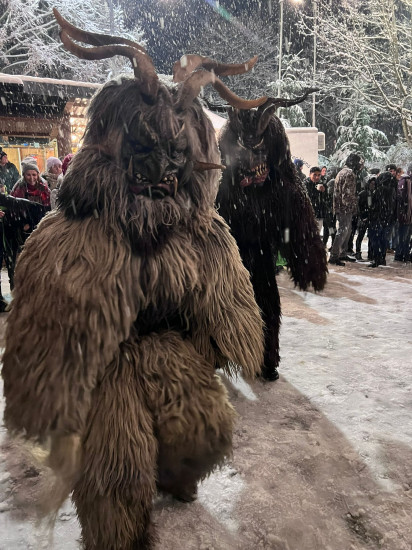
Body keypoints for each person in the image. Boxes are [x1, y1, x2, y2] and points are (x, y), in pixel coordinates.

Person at [329, 152, 364, 266]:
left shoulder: (342, 172)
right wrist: (352, 207)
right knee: (343, 231)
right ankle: (334, 255)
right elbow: (347, 194)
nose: (360, 166)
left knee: (346, 230)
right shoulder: (349, 174)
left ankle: (342, 253)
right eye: (358, 163)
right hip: (345, 208)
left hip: (340, 207)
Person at [368, 171, 397, 267]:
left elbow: (373, 205)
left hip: (377, 218)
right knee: (384, 239)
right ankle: (382, 258)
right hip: (387, 218)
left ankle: (376, 258)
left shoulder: (379, 190)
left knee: (376, 239)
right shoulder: (393, 190)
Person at [394, 163, 412, 262]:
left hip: (408, 214)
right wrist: (403, 212)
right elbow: (401, 198)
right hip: (405, 215)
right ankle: (401, 254)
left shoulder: (406, 180)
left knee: (405, 236)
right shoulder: (405, 180)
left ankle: (404, 254)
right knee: (403, 236)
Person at [355, 175, 376, 260]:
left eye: (374, 184)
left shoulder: (374, 193)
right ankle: (358, 252)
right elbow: (358, 207)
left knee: (370, 236)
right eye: (372, 184)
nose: (373, 186)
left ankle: (370, 253)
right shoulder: (363, 194)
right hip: (363, 217)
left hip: (370, 218)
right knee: (360, 236)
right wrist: (361, 217)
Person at [304, 166, 327, 234]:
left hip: (319, 214)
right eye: (315, 175)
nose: (317, 177)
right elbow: (307, 198)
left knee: (317, 234)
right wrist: (316, 191)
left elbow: (326, 199)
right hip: (308, 214)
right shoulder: (305, 184)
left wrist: (324, 191)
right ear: (310, 174)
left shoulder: (322, 184)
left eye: (319, 175)